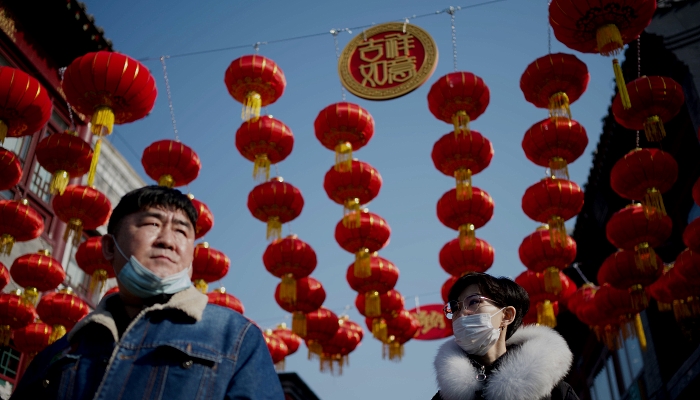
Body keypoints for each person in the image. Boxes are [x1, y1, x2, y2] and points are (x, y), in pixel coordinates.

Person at [11, 186, 284, 400]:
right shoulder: (61, 353)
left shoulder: (234, 338)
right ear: (108, 247)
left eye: (181, 231)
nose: (167, 240)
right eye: (152, 224)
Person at [432, 273, 579, 400]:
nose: (462, 314)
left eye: (474, 302)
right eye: (455, 308)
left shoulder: (555, 393)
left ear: (506, 315)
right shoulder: (444, 398)